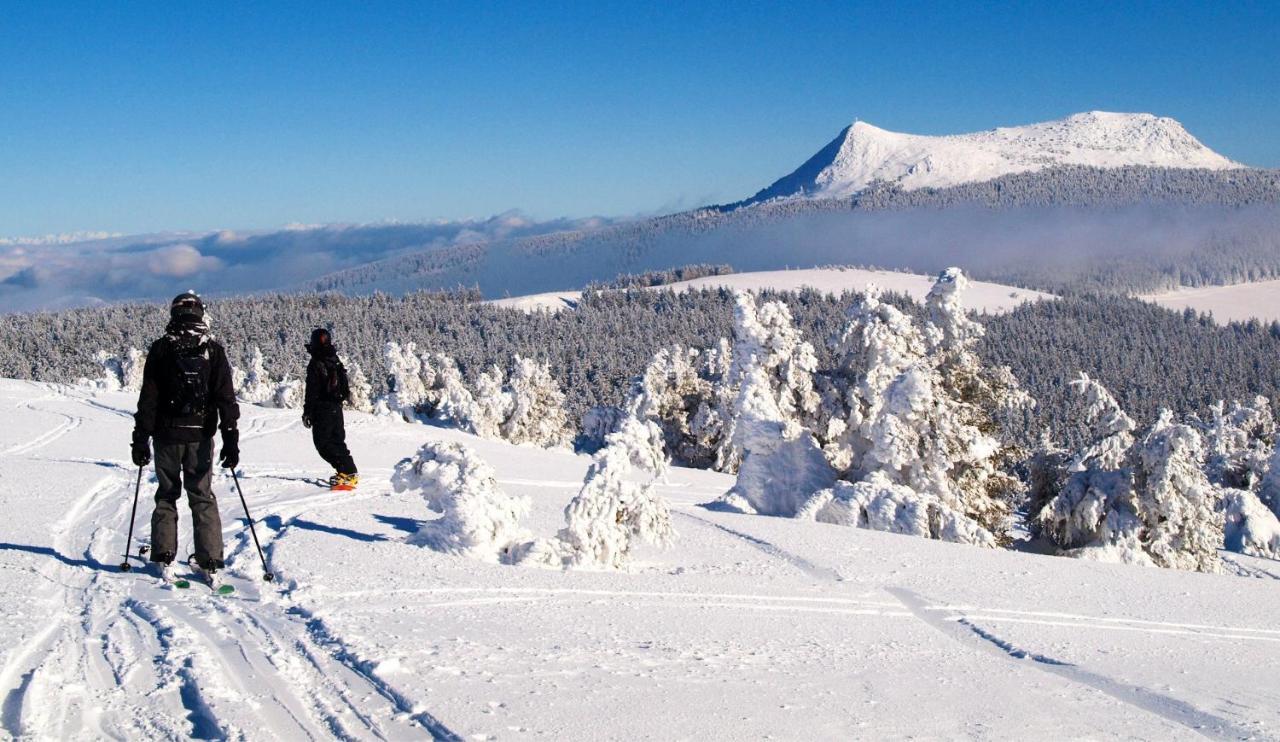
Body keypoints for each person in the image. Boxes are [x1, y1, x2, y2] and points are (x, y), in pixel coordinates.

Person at [131, 291, 240, 585]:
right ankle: (210, 560)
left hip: (166, 436)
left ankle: (164, 555)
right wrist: (231, 439)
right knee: (202, 496)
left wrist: (140, 439)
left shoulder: (161, 350)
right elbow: (226, 399)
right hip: (201, 437)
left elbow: (148, 400)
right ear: (200, 313)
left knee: (167, 494)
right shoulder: (213, 351)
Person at [302, 328, 359, 490]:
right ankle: (348, 472)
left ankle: (347, 472)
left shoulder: (316, 362)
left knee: (323, 443)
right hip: (336, 407)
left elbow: (312, 390)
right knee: (337, 440)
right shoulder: (334, 359)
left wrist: (308, 411)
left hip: (323, 408)